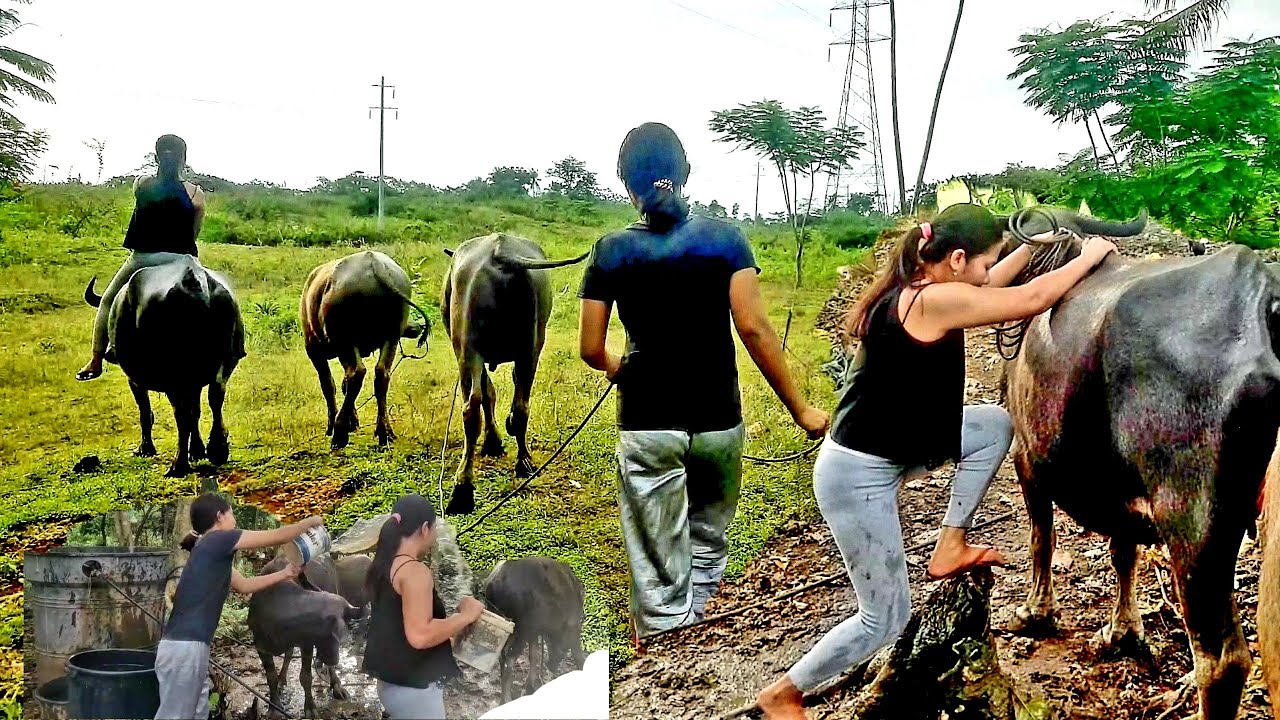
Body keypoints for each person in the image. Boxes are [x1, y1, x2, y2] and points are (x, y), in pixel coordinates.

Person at [755, 203, 1118, 719]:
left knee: (994, 425)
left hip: (896, 449)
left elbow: (990, 282)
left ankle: (950, 542)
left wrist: (1032, 246)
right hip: (856, 474)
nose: (990, 270)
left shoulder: (923, 287)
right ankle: (785, 693)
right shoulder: (929, 303)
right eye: (985, 260)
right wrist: (1090, 256)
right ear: (956, 260)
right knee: (885, 617)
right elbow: (1029, 299)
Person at [577, 122, 830, 644]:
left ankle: (667, 658)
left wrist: (619, 368)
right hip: (719, 422)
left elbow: (589, 348)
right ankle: (701, 647)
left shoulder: (610, 251)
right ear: (685, 173)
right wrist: (802, 411)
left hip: (648, 426)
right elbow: (754, 328)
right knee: (708, 541)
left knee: (656, 561)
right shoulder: (726, 241)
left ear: (626, 184)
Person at [155, 492, 322, 720]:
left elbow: (245, 585)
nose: (234, 520)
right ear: (219, 516)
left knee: (197, 713)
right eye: (232, 514)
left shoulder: (210, 552)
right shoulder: (217, 540)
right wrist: (310, 522)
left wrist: (286, 573)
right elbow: (277, 536)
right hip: (185, 649)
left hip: (190, 648)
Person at [77, 133, 206, 381]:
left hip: (141, 259)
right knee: (219, 294)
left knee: (107, 301)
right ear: (184, 158)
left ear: (156, 156)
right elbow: (194, 232)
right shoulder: (195, 193)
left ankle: (95, 360)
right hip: (181, 260)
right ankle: (233, 345)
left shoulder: (141, 184)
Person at [362, 494, 485, 719]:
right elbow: (419, 635)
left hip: (391, 684)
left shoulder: (384, 563)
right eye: (435, 527)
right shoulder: (414, 571)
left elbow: (401, 625)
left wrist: (450, 627)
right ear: (425, 528)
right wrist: (466, 617)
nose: (436, 534)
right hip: (414, 691)